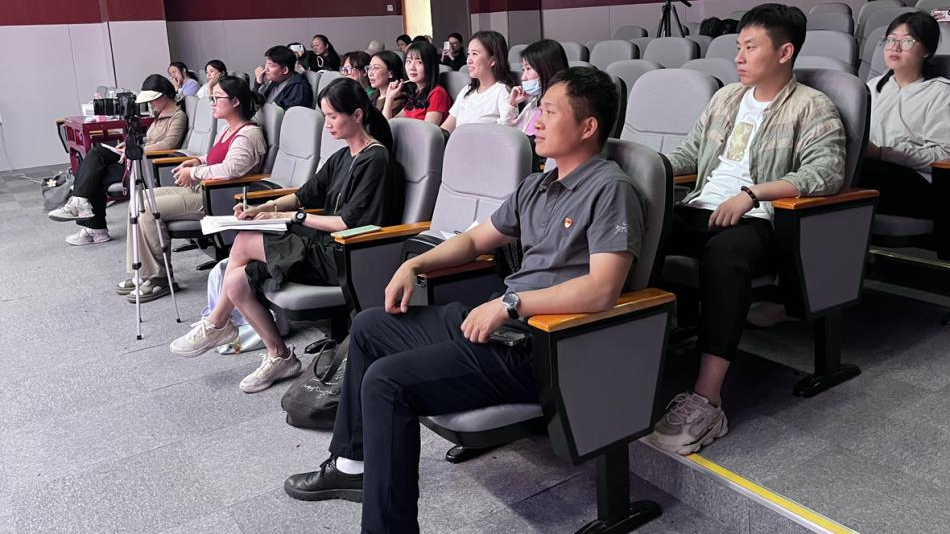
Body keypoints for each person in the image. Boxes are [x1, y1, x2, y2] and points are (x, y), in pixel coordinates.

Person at [281, 67, 646, 534]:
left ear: (588, 126)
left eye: (550, 112)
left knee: (387, 382)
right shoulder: (538, 184)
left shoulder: (610, 189)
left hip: (543, 345)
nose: (535, 121)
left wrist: (512, 305)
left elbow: (602, 289)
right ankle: (353, 466)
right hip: (501, 323)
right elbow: (475, 240)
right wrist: (415, 265)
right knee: (370, 326)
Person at [649, 4, 846, 455]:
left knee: (724, 258)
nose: (738, 57)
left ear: (784, 52)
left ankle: (707, 400)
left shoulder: (812, 107)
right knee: (637, 230)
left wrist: (753, 194)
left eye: (750, 47)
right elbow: (689, 155)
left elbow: (826, 172)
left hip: (763, 221)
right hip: (702, 207)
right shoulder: (725, 99)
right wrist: (643, 172)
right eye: (738, 46)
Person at [169, 79, 403, 393]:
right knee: (236, 281)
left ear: (357, 115)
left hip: (346, 255)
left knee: (244, 241)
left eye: (333, 116)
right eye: (325, 116)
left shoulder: (375, 160)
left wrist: (291, 217)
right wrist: (262, 208)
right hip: (322, 245)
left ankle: (216, 323)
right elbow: (304, 195)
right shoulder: (343, 156)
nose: (328, 124)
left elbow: (347, 224)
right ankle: (279, 356)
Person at [114, 76, 266, 302]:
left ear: (235, 102)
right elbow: (213, 157)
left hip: (218, 197)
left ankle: (159, 278)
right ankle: (143, 272)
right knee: (140, 199)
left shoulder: (248, 134)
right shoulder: (228, 129)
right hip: (203, 189)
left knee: (147, 210)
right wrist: (197, 161)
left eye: (217, 98)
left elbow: (232, 169)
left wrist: (194, 173)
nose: (212, 103)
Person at [49, 75, 187, 245]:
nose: (151, 104)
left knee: (95, 173)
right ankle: (82, 209)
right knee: (96, 156)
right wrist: (132, 144)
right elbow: (151, 138)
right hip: (138, 155)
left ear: (164, 95)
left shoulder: (178, 116)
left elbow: (169, 144)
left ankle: (94, 227)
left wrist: (136, 150)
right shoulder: (160, 114)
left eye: (153, 100)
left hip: (147, 163)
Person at [860, 12, 950, 218]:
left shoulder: (941, 93)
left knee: (859, 169)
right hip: (875, 171)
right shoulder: (872, 87)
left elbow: (944, 157)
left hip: (920, 183)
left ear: (926, 50)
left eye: (907, 41)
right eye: (890, 40)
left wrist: (883, 153)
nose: (895, 47)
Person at [441, 31, 517, 133]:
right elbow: (445, 130)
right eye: (468, 54)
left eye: (475, 54)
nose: (468, 60)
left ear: (493, 60)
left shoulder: (502, 92)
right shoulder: (467, 90)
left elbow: (507, 134)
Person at [505, 39, 569, 136]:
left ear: (546, 68)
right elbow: (508, 134)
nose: (523, 77)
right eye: (523, 69)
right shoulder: (534, 102)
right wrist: (512, 104)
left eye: (528, 68)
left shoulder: (559, 107)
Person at [382, 40, 451, 125]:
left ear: (430, 65)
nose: (412, 67)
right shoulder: (417, 92)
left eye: (419, 62)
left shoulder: (437, 93)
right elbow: (388, 125)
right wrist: (389, 97)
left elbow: (428, 131)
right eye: (409, 61)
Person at [253, 45, 314, 110]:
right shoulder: (277, 80)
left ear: (285, 70)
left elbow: (283, 114)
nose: (266, 69)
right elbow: (256, 103)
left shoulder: (299, 88)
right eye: (266, 63)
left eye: (270, 65)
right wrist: (258, 83)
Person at [367, 51, 407, 115]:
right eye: (369, 68)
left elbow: (384, 120)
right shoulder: (373, 95)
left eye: (376, 68)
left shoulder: (398, 98)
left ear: (390, 73)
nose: (370, 74)